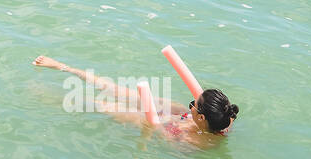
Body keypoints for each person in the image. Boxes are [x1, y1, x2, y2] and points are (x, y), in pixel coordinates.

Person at [31, 56, 239, 143]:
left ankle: (47, 96)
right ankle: (64, 67)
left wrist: (154, 126)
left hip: (157, 124)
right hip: (178, 118)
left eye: (193, 104)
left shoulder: (197, 141)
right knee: (118, 91)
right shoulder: (224, 117)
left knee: (100, 105)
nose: (191, 104)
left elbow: (164, 142)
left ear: (202, 117)